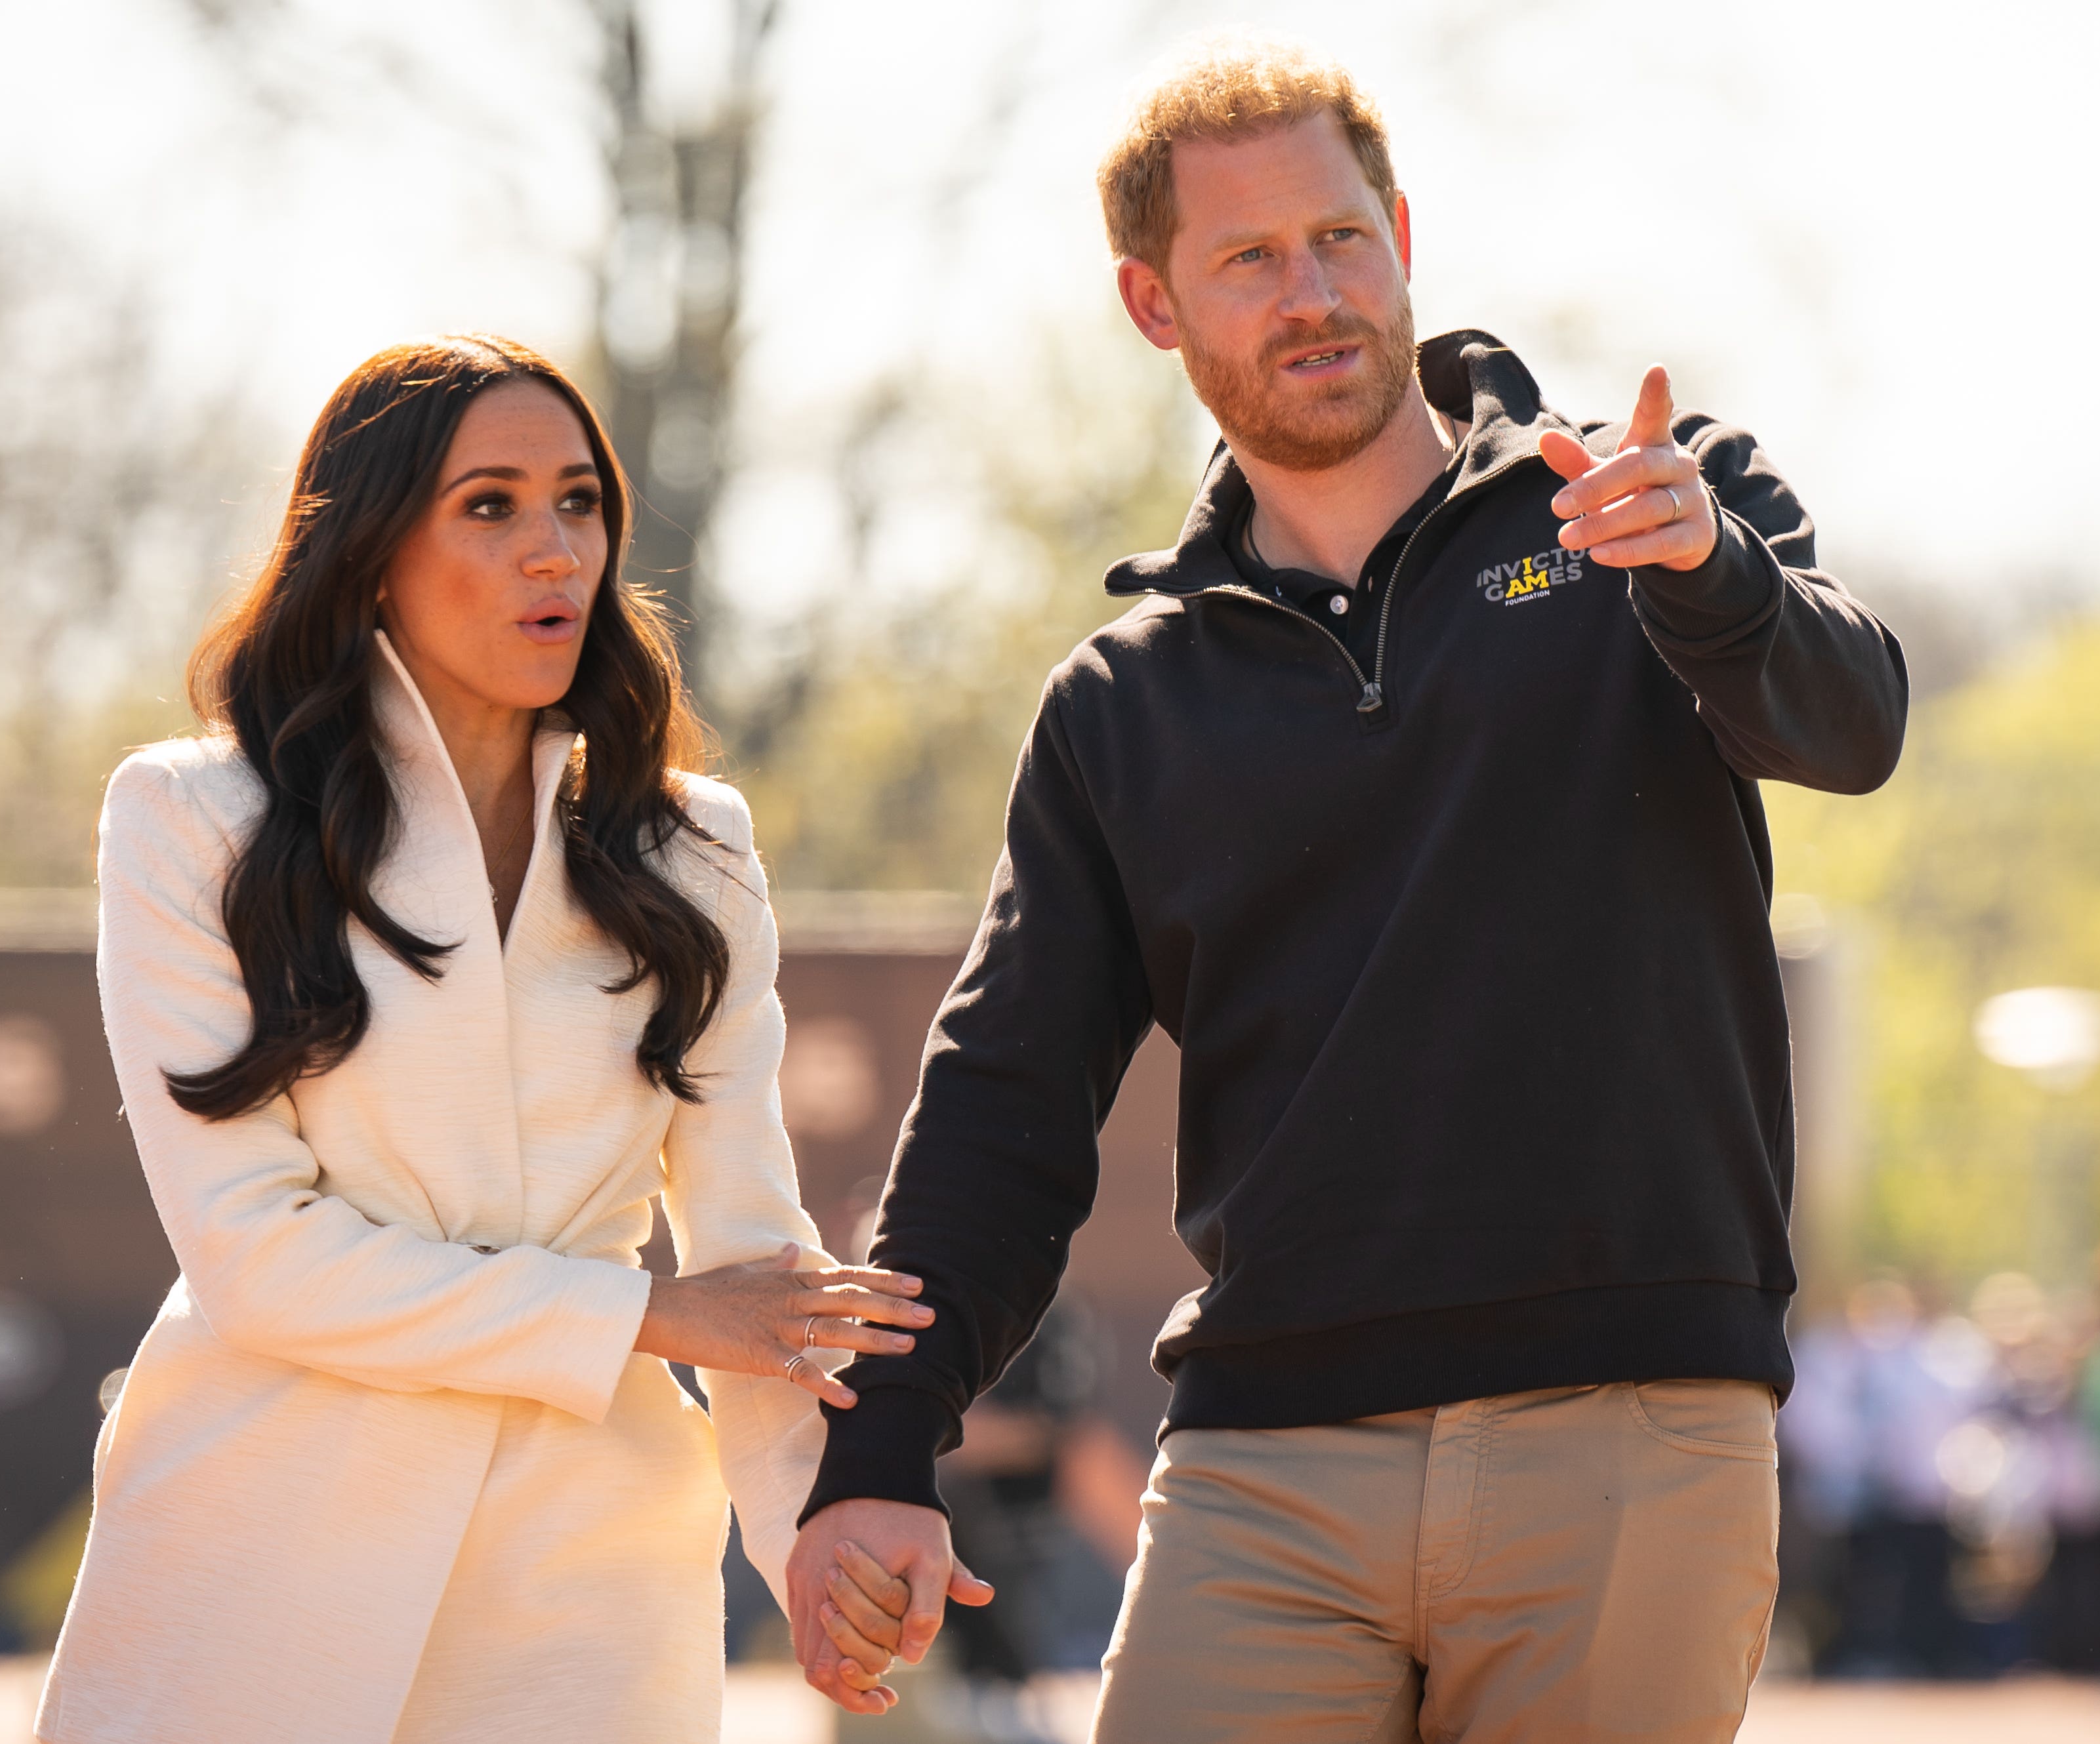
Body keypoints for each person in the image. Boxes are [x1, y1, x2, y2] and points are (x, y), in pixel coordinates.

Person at [788, 37, 1910, 1742]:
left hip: (1628, 1421)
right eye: (1247, 258)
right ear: (1154, 307)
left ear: (1399, 230)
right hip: (1260, 1459)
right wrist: (873, 1452)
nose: (1310, 292)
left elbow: (1848, 722)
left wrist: (1710, 574)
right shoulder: (1121, 706)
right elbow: (997, 1112)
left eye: (1338, 238)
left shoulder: (1641, 509)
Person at [34, 335, 934, 1744]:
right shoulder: (192, 821)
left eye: (579, 503)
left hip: (580, 1588)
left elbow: (751, 1266)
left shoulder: (694, 850)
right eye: (492, 504)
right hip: (260, 1560)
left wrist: (808, 1534)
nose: (554, 550)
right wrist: (642, 1319)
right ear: (372, 547)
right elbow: (256, 1258)